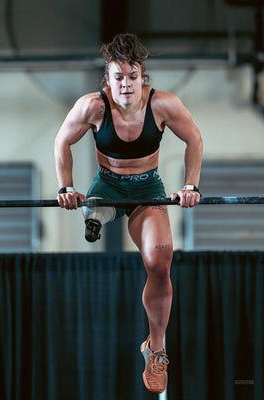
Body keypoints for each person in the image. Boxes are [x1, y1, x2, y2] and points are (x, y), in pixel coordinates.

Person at [54, 33, 203, 394]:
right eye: (117, 77)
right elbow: (62, 141)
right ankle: (97, 212)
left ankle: (156, 347)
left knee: (159, 261)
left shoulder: (163, 105)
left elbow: (195, 139)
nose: (125, 85)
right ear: (107, 79)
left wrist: (190, 186)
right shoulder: (93, 106)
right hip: (107, 184)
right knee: (95, 207)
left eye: (132, 77)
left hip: (147, 189)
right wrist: (65, 187)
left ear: (142, 77)